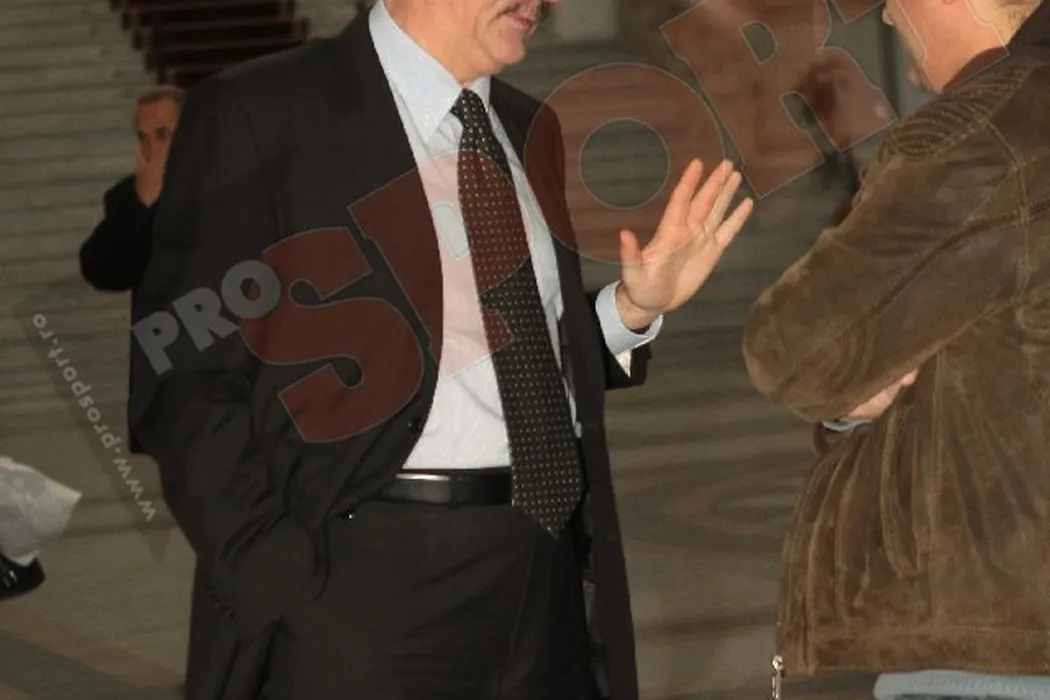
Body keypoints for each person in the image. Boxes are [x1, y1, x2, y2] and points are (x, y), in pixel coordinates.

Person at [127, 0, 753, 698]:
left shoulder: (527, 125)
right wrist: (281, 579)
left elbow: (516, 359)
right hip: (363, 589)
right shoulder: (262, 113)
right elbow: (181, 377)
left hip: (544, 582)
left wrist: (634, 308)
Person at [743, 1, 1050, 699]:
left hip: (998, 641)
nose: (886, 17)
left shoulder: (983, 134)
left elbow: (790, 349)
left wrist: (853, 391)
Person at [80, 85, 184, 454]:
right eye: (143, 138)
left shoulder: (234, 189)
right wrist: (142, 204)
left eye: (163, 135)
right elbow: (103, 270)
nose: (152, 148)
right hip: (170, 379)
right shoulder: (129, 198)